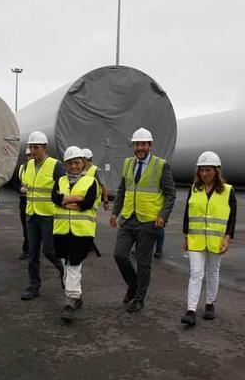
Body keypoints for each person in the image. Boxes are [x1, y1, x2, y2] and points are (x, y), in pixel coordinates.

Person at [109, 128, 177, 313]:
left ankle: (139, 299)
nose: (140, 148)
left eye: (143, 144)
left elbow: (171, 194)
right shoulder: (127, 163)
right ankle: (133, 285)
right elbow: (122, 190)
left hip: (149, 221)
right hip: (128, 218)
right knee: (119, 254)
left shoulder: (161, 165)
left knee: (143, 262)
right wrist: (115, 213)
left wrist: (163, 216)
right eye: (137, 144)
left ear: (150, 146)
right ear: (133, 146)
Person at [180, 151, 237, 327]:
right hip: (196, 239)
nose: (204, 174)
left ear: (216, 171)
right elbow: (187, 215)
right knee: (196, 273)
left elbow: (232, 217)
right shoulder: (194, 189)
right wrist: (187, 236)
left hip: (216, 240)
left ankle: (210, 303)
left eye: (208, 170)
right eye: (202, 170)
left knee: (212, 272)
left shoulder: (228, 191)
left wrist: (228, 237)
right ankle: (190, 310)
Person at [51, 146, 99, 323]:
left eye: (77, 163)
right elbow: (54, 198)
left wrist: (65, 200)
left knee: (73, 265)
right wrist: (75, 199)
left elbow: (87, 203)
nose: (74, 166)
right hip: (62, 230)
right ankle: (76, 298)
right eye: (70, 163)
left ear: (83, 163)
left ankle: (69, 303)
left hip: (81, 232)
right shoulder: (60, 181)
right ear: (66, 165)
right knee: (65, 265)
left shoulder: (90, 182)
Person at [20, 131, 66, 300]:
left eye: (36, 148)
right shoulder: (28, 166)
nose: (33, 151)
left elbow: (64, 187)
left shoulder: (56, 165)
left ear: (45, 148)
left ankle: (63, 271)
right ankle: (34, 286)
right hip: (31, 214)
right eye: (31, 147)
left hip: (48, 215)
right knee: (32, 254)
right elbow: (26, 185)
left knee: (48, 250)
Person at [17, 147, 32, 260]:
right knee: (26, 228)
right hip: (24, 203)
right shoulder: (22, 168)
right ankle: (27, 250)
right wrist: (20, 189)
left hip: (40, 205)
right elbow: (15, 184)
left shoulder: (42, 169)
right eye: (28, 155)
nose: (30, 157)